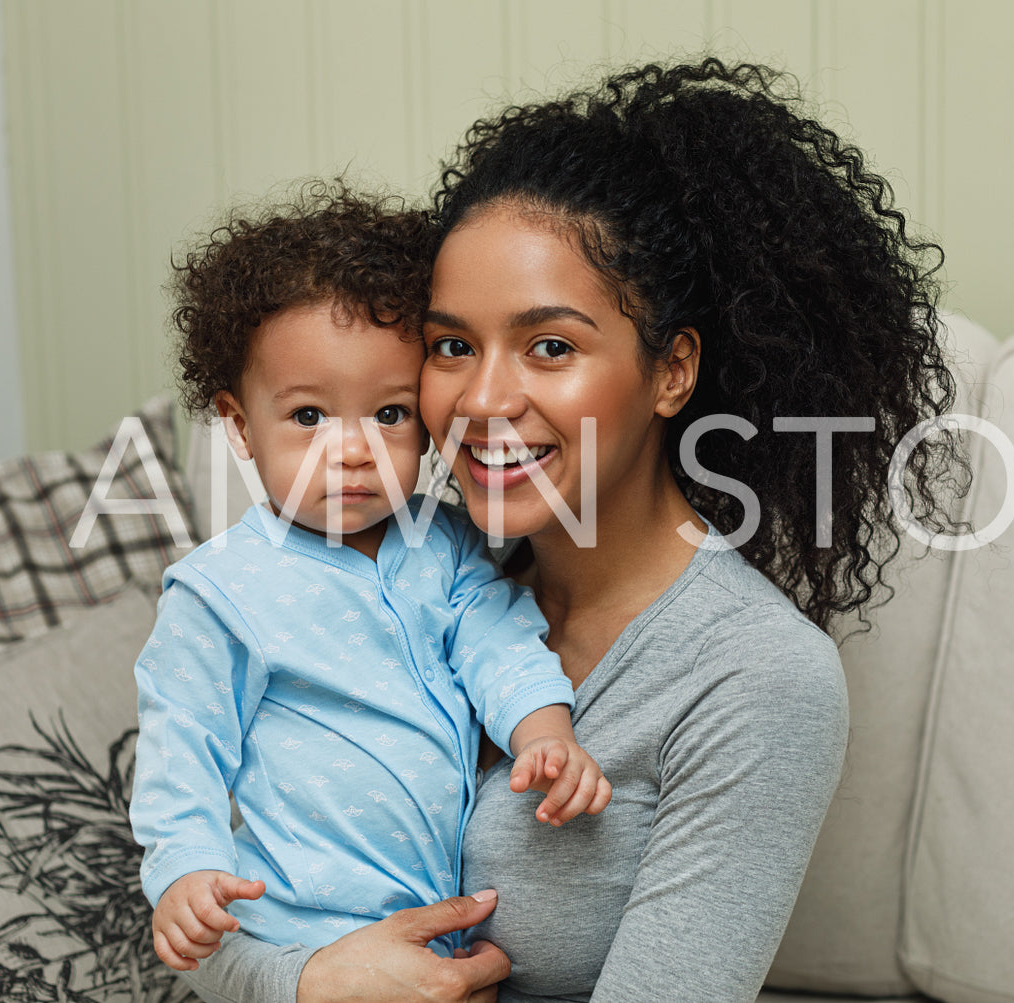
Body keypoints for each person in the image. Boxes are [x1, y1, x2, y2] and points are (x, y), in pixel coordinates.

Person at [178, 59, 964, 1003]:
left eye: (550, 346)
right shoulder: (396, 566)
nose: (482, 398)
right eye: (452, 345)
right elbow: (214, 912)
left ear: (671, 371)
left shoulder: (754, 676)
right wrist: (310, 980)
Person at [129, 185, 610, 976]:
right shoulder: (221, 592)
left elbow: (500, 642)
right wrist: (183, 869)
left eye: (388, 414)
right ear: (241, 425)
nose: (351, 450)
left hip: (440, 918)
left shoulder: (445, 541)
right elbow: (184, 746)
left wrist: (544, 732)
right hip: (300, 924)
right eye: (310, 417)